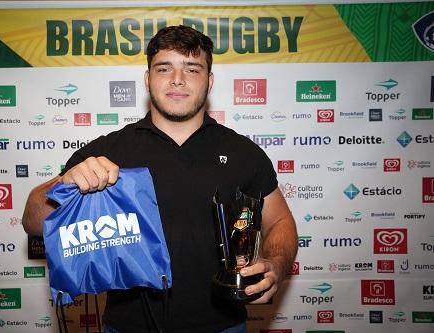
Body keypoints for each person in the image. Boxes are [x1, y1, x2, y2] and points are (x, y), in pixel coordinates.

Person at [22, 25, 298, 333]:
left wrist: (276, 263)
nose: (177, 79)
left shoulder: (243, 153)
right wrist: (65, 185)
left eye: (192, 69)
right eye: (164, 68)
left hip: (223, 326)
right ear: (147, 78)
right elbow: (33, 220)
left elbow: (280, 222)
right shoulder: (108, 150)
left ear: (209, 80)